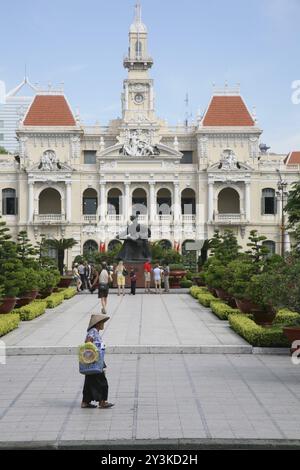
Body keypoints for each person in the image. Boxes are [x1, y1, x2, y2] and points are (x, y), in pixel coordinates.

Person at [81, 314, 114, 409]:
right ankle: (102, 401)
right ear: (97, 323)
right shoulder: (93, 331)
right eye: (102, 323)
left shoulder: (94, 331)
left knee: (89, 381)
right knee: (102, 381)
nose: (103, 324)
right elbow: (88, 342)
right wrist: (94, 352)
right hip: (94, 360)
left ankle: (85, 402)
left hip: (91, 360)